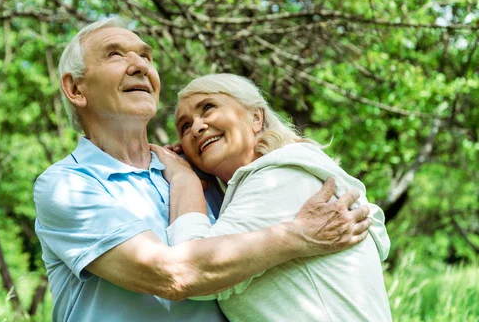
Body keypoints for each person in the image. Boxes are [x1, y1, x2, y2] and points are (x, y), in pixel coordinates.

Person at [33, 18, 374, 322]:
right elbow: (173, 275)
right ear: (76, 89)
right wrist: (298, 235)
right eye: (115, 54)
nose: (140, 66)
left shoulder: (209, 179)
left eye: (146, 56)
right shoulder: (68, 186)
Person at [151, 73, 391, 321]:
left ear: (256, 117)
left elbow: (191, 270)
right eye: (185, 126)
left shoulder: (281, 177)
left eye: (208, 108)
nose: (197, 128)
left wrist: (184, 179)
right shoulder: (277, 176)